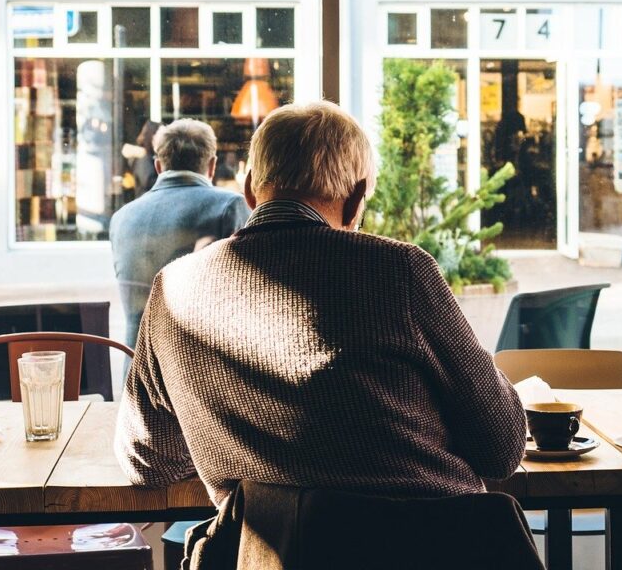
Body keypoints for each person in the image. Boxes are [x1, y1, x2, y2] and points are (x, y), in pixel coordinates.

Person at [115, 101, 526, 504]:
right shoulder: (400, 271)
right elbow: (502, 447)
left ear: (249, 189)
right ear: (356, 198)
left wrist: (230, 433)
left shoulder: (173, 289)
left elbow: (147, 460)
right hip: (433, 552)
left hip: (270, 558)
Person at [109, 118, 250, 349]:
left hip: (135, 371)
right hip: (197, 371)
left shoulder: (121, 217)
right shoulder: (229, 207)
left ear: (158, 166)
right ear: (212, 165)